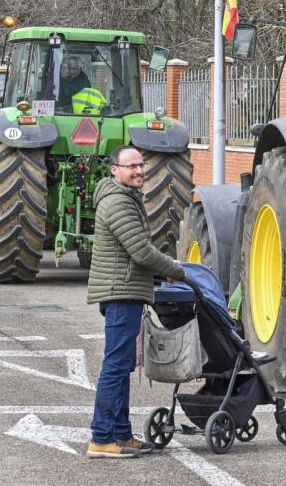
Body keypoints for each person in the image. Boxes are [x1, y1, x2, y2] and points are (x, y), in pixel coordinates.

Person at [86, 145, 185, 459]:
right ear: (115, 169)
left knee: (122, 364)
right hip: (121, 292)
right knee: (115, 366)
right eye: (131, 166)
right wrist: (176, 270)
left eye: (141, 165)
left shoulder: (126, 197)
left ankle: (121, 434)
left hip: (126, 290)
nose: (139, 171)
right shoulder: (118, 203)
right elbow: (141, 251)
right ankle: (101, 438)